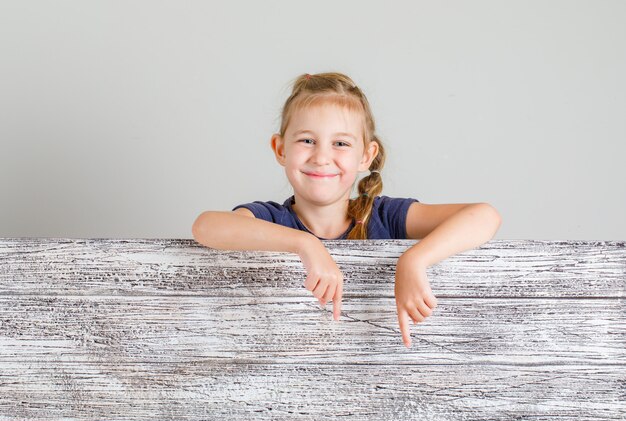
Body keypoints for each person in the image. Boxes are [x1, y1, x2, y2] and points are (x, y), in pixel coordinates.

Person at [192, 72, 502, 348]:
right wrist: (305, 243)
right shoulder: (273, 220)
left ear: (366, 155)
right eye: (307, 140)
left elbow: (485, 216)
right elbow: (205, 226)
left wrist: (415, 259)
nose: (322, 157)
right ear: (280, 149)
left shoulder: (385, 217)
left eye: (340, 143)